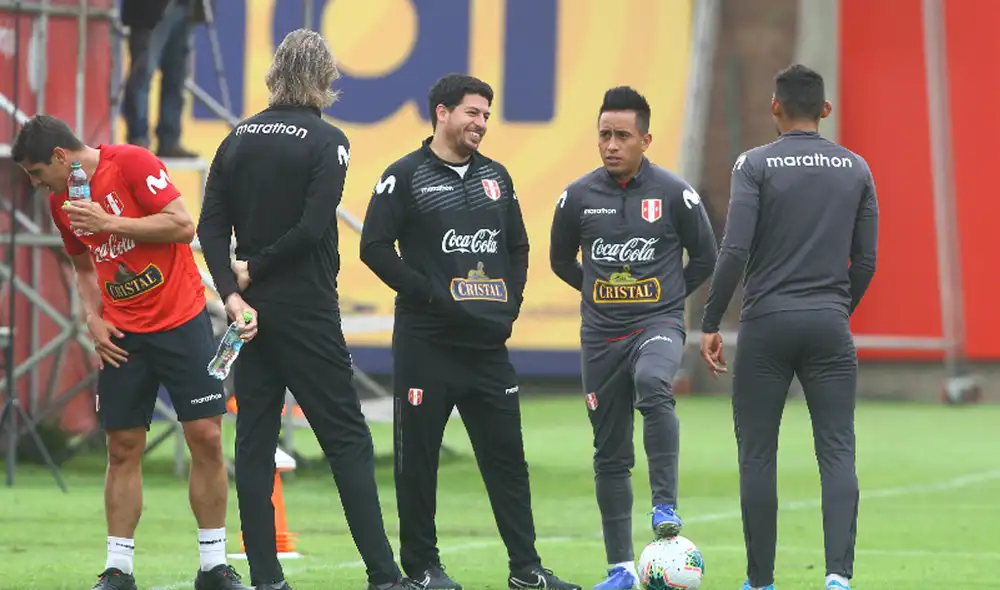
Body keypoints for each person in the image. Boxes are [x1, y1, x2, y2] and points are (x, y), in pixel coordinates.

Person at [196, 29, 420, 590]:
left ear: (274, 74)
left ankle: (267, 579)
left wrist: (232, 293)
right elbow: (312, 227)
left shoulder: (237, 138)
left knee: (253, 442)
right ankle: (384, 575)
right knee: (347, 438)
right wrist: (257, 269)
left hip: (248, 316)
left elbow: (209, 228)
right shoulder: (330, 141)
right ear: (325, 79)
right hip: (305, 309)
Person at [359, 73, 581, 590]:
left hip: (488, 348)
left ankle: (526, 570)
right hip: (426, 344)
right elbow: (373, 247)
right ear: (442, 112)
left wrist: (512, 306)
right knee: (419, 461)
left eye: (485, 114)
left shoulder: (497, 179)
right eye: (472, 112)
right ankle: (423, 569)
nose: (481, 123)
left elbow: (520, 248)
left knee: (508, 461)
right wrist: (429, 294)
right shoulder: (405, 176)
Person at [11, 115, 248, 590]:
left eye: (37, 173)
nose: (37, 186)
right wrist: (91, 317)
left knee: (205, 437)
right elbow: (81, 264)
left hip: (182, 321)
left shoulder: (132, 162)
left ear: (60, 157)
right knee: (121, 448)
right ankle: (118, 570)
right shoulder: (63, 203)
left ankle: (214, 566)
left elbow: (182, 225)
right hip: (123, 335)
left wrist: (109, 221)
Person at [699, 64, 878, 590]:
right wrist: (837, 312)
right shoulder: (856, 168)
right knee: (838, 450)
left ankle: (760, 583)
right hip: (828, 322)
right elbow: (865, 262)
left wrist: (711, 321)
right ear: (825, 110)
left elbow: (735, 249)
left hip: (766, 325)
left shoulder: (754, 165)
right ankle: (838, 578)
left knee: (758, 452)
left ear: (774, 107)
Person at [549, 86, 718, 590]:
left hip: (658, 325)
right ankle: (621, 568)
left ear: (646, 138)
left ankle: (665, 504)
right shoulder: (576, 197)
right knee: (610, 452)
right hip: (600, 335)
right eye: (604, 135)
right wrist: (598, 293)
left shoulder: (674, 193)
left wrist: (668, 299)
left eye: (622, 135)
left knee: (654, 382)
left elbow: (706, 257)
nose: (611, 144)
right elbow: (560, 260)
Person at [120, 0, 204, 158]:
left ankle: (169, 140)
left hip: (187, 6)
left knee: (176, 79)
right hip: (151, 10)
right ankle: (138, 140)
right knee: (142, 76)